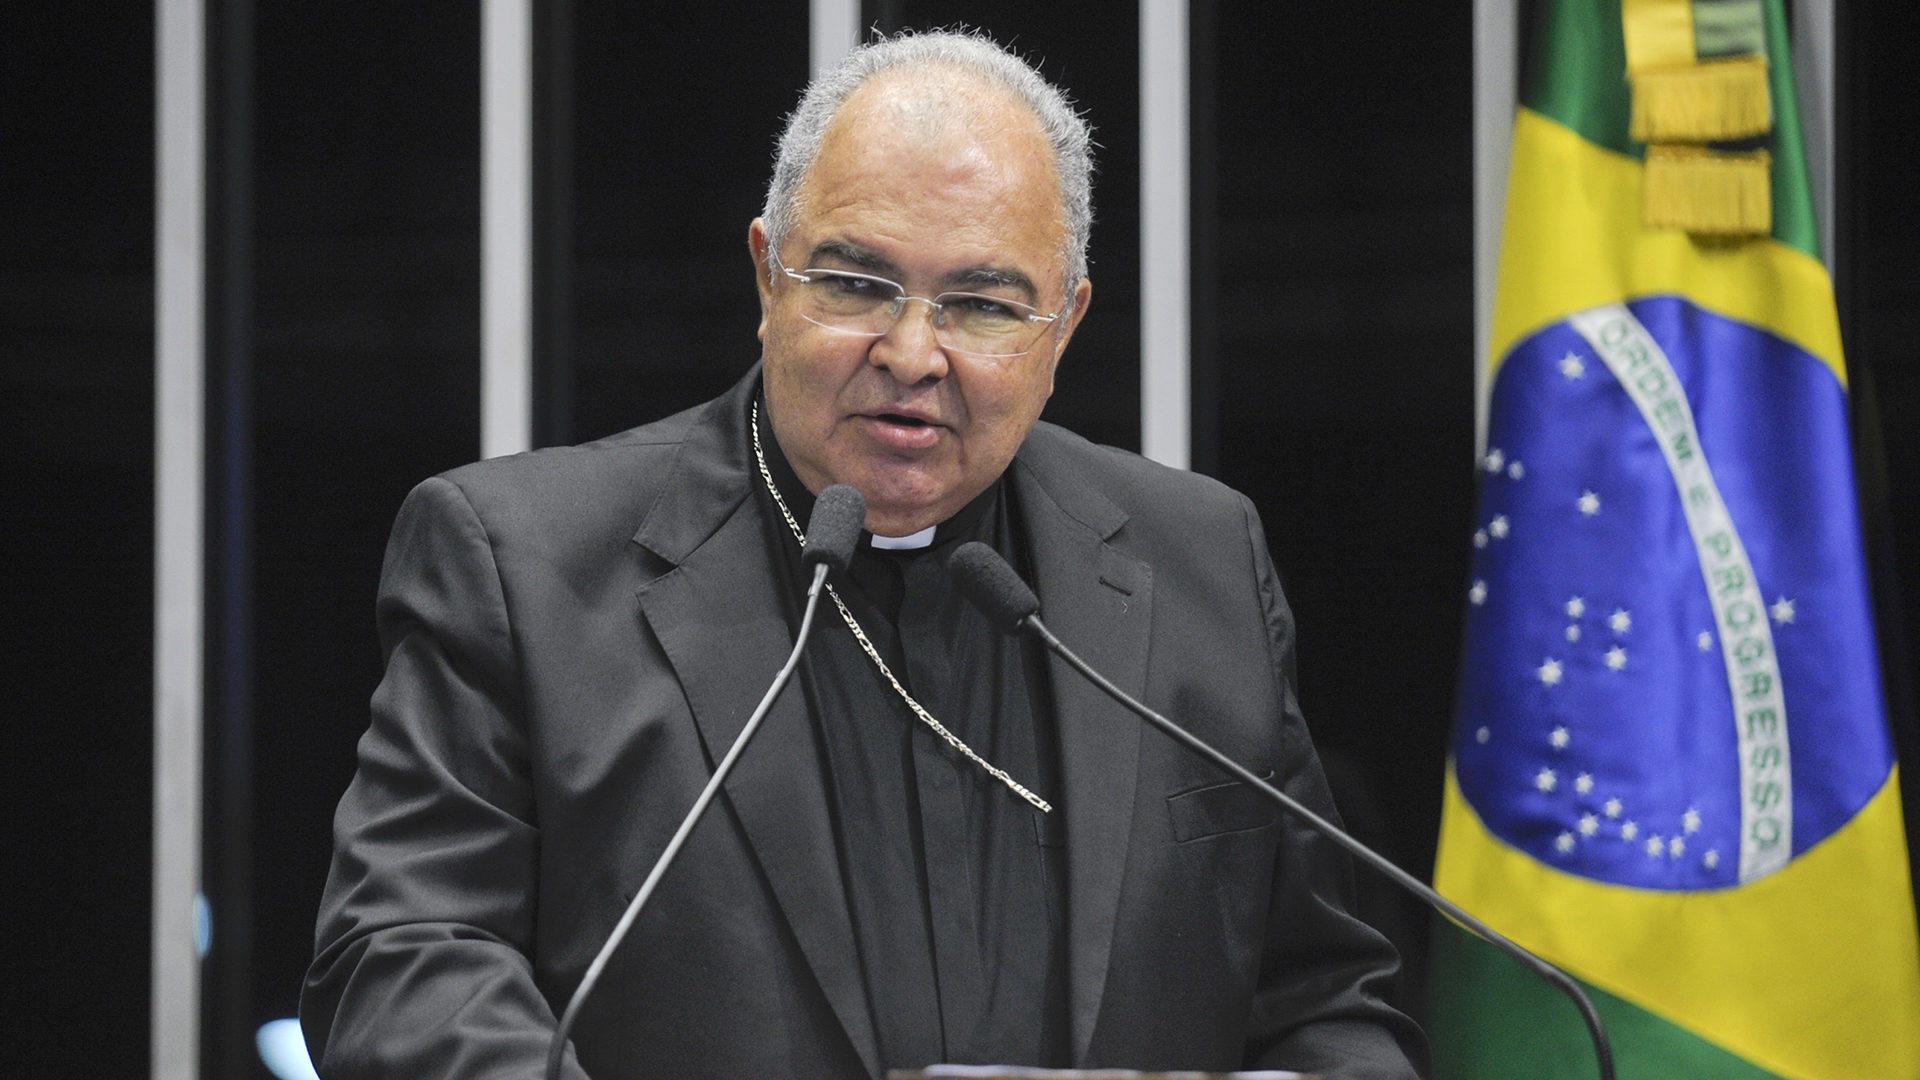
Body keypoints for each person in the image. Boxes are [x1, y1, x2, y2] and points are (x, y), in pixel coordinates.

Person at [303, 29, 1427, 1080]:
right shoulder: (523, 564)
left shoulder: (1200, 565)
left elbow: (1324, 993)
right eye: (854, 285)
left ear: (1064, 328)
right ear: (766, 277)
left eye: (983, 304)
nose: (911, 352)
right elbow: (400, 960)